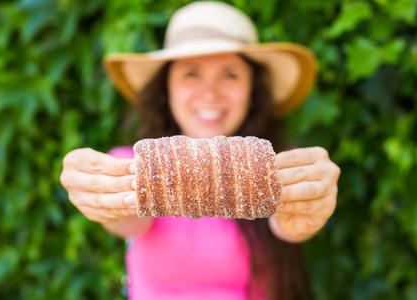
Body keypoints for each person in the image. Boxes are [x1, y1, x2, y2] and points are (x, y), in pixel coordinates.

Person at [60, 1, 340, 299]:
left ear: (253, 89)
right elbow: (126, 218)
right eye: (191, 73)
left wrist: (312, 203)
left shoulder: (282, 166)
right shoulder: (130, 165)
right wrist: (98, 198)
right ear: (167, 87)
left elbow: (291, 224)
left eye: (230, 74)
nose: (210, 93)